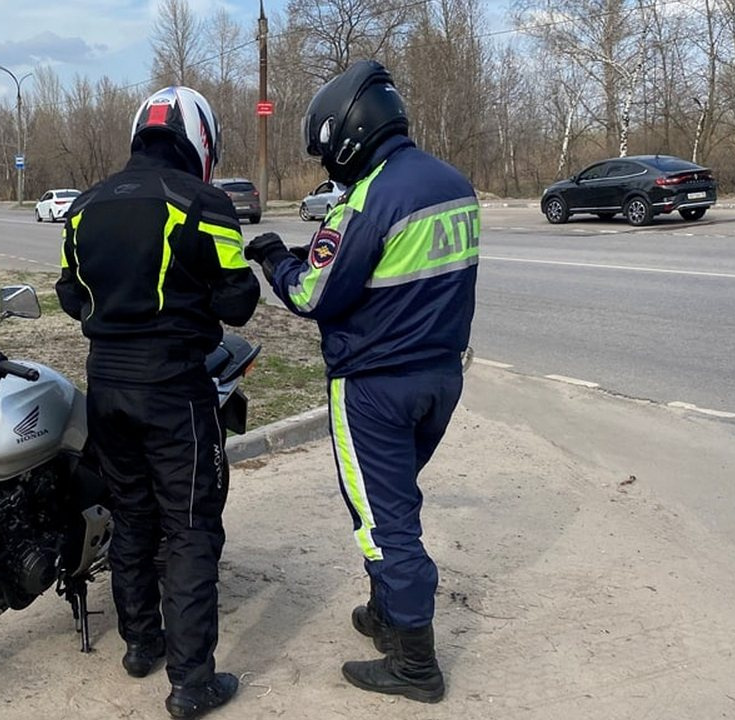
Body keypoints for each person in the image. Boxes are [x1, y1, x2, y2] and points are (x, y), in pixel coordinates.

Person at [244, 60, 479, 704]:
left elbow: (314, 293)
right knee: (394, 498)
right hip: (441, 376)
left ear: (349, 132)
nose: (329, 168)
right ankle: (385, 614)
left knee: (384, 523)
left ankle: (414, 665)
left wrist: (274, 258)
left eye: (328, 153)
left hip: (375, 385)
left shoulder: (369, 198)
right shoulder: (453, 183)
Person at [56, 85, 260, 719]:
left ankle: (141, 645)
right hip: (174, 388)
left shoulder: (84, 205)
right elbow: (238, 302)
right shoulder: (205, 201)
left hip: (106, 387)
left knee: (132, 517)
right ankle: (192, 681)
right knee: (192, 526)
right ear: (200, 140)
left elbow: (70, 294)